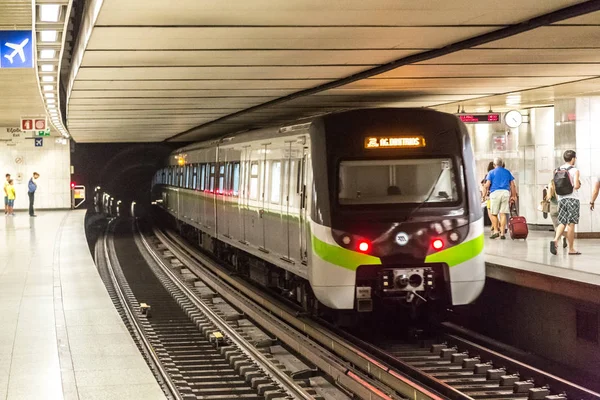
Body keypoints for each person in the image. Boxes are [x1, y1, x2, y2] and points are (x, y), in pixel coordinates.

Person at [550, 150, 580, 255]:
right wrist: (579, 184)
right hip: (572, 199)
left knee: (562, 222)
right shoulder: (575, 170)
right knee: (571, 224)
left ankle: (555, 240)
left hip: (561, 199)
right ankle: (571, 249)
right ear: (572, 158)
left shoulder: (557, 170)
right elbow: (576, 186)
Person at [483, 157, 517, 239]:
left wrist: (483, 195)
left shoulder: (491, 172)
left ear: (494, 165)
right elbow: (512, 185)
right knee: (503, 213)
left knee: (494, 213)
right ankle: (502, 234)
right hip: (505, 193)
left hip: (495, 193)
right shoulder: (507, 172)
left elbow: (487, 185)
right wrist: (513, 195)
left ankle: (496, 231)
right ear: (502, 164)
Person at [545, 180, 567, 248]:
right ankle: (562, 237)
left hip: (552, 208)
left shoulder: (549, 189)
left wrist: (546, 189)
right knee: (562, 224)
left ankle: (560, 238)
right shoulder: (559, 187)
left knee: (556, 226)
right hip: (560, 207)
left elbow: (547, 198)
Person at [480, 162, 495, 229]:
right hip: (498, 194)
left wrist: (483, 196)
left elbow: (485, 187)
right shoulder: (498, 175)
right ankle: (494, 225)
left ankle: (495, 225)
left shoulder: (488, 175)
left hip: (490, 195)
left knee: (490, 210)